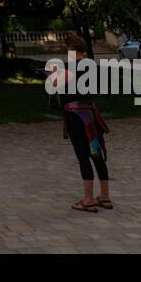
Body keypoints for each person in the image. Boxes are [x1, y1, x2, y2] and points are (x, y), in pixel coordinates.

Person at [51, 33, 111, 213]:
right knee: (97, 153)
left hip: (75, 116)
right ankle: (105, 196)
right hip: (92, 115)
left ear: (70, 48)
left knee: (83, 155)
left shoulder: (67, 68)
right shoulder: (92, 66)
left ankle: (87, 199)